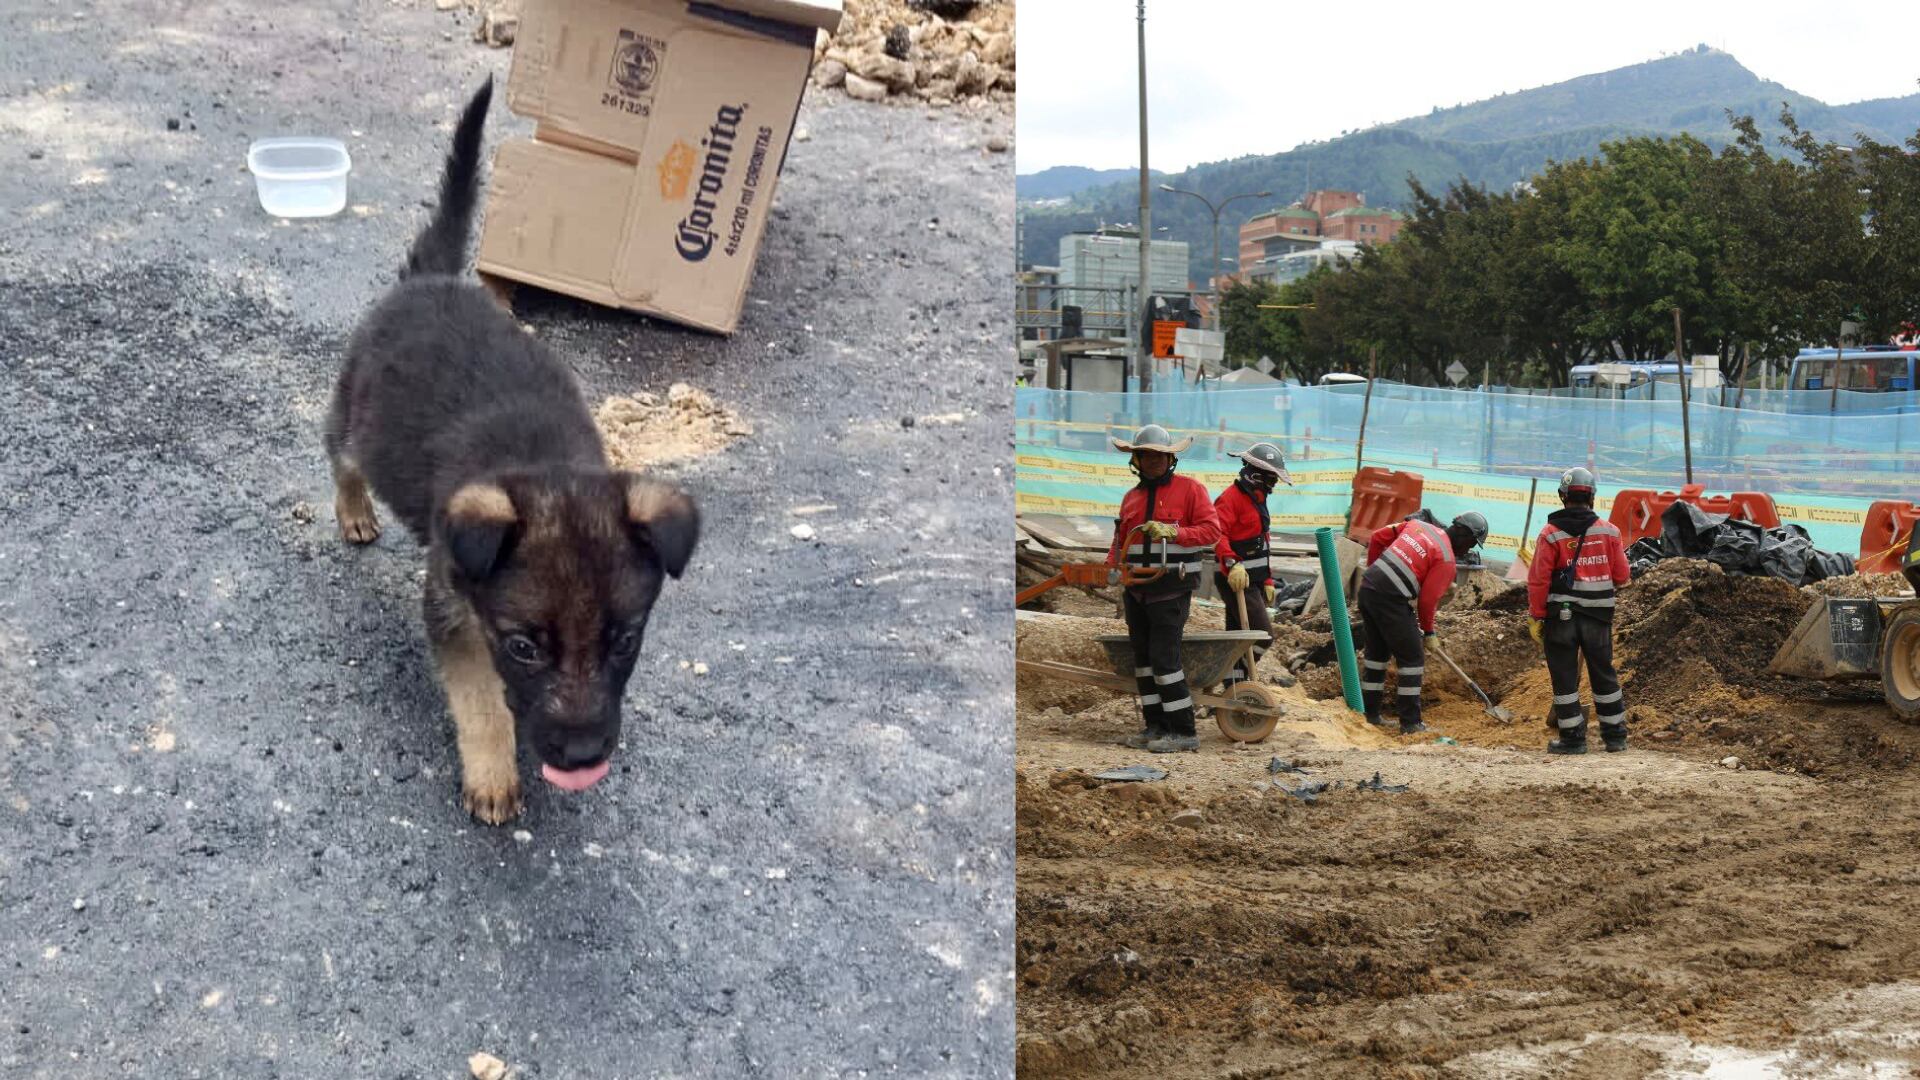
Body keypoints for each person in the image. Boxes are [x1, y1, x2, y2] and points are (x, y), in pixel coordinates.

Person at [1105, 425, 1222, 753]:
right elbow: (1120, 540)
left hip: (1170, 588)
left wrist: (1174, 532)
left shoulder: (1190, 491)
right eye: (1147, 455)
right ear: (1137, 460)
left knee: (1163, 657)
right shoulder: (1131, 498)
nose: (1154, 461)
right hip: (1136, 590)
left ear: (1170, 458)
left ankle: (1183, 731)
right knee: (1143, 659)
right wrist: (1111, 567)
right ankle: (1155, 727)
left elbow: (1211, 531)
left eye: (1160, 455)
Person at [1527, 467, 1633, 754]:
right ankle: (1615, 737)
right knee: (1604, 673)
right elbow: (1622, 576)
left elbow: (1538, 579)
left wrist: (1537, 616)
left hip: (1561, 618)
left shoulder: (1550, 534)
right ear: (1593, 498)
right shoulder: (1609, 531)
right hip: (1599, 618)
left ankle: (1573, 739)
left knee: (1564, 676)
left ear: (1562, 497)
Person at [1357, 510, 1488, 733]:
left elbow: (1378, 537)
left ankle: (1370, 714)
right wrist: (1429, 633)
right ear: (1463, 534)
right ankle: (1411, 723)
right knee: (1412, 659)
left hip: (1368, 589)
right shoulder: (1446, 560)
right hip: (1391, 599)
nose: (1469, 550)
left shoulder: (1418, 526)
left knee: (1377, 655)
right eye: (1471, 544)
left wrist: (1374, 571)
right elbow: (1427, 602)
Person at [1212, 442, 1293, 688]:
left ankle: (1233, 687)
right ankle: (1234, 681)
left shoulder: (1257, 500)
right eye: (1272, 479)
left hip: (1253, 580)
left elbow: (1262, 544)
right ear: (1258, 476)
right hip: (1235, 579)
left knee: (1237, 638)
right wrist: (1232, 563)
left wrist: (1267, 580)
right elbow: (1218, 533)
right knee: (1263, 635)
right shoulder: (1231, 498)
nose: (1274, 485)